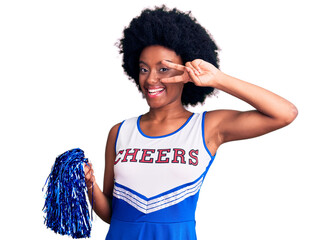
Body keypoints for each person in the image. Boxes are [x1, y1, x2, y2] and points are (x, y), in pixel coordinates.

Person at [84, 5, 298, 240]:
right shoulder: (120, 132)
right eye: (144, 69)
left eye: (163, 69)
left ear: (187, 71)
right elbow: (111, 214)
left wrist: (218, 79)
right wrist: (90, 183)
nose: (151, 78)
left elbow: (285, 113)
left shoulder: (207, 127)